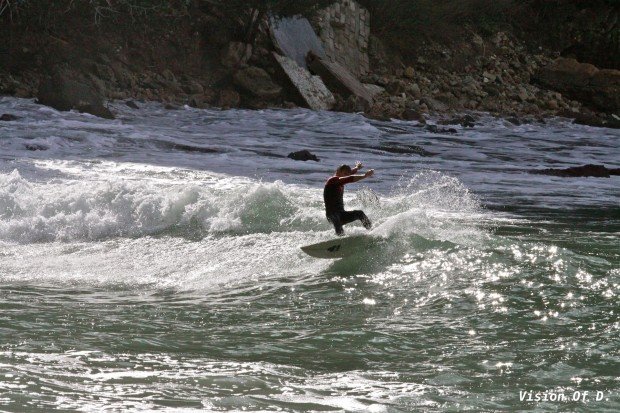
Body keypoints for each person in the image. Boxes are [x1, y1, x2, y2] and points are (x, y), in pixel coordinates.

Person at [323, 161, 374, 236]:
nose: (346, 175)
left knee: (360, 213)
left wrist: (357, 168)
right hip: (332, 215)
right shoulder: (332, 180)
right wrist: (365, 175)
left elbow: (349, 174)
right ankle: (340, 238)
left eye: (347, 174)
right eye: (344, 173)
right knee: (336, 218)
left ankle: (371, 231)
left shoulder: (341, 179)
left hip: (342, 214)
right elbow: (349, 178)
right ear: (338, 171)